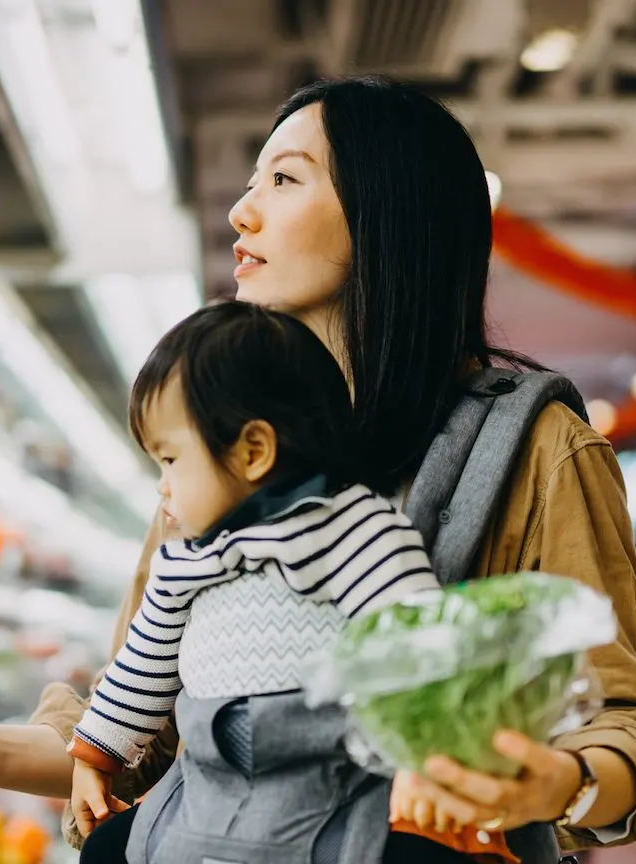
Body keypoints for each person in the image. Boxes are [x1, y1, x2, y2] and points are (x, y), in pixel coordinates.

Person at [0, 75, 636, 862]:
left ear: (388, 212)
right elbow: (151, 725)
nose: (241, 211)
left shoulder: (534, 447)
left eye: (284, 178)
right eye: (249, 181)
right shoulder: (220, 446)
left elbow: (631, 727)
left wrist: (555, 782)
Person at [70, 299, 463, 861]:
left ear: (253, 450)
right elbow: (142, 665)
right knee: (108, 849)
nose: (162, 487)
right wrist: (94, 757)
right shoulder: (182, 560)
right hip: (207, 787)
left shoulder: (353, 531)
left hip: (338, 790)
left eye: (171, 460)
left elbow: (419, 648)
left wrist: (433, 761)